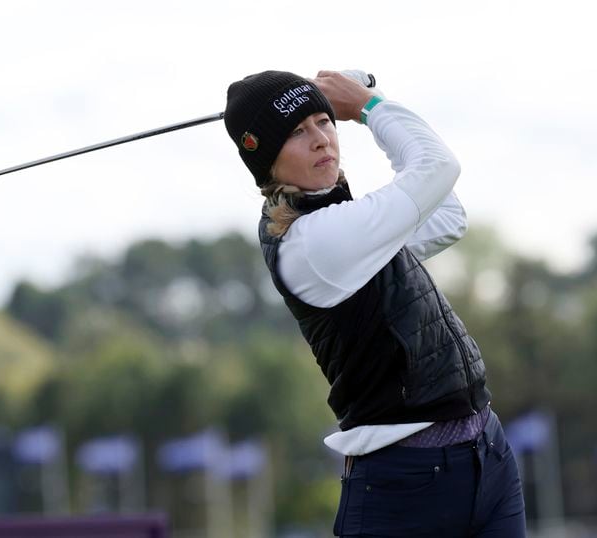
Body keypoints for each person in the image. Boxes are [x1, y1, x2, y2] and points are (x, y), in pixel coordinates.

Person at [223, 70, 526, 537]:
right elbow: (437, 167)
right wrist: (369, 106)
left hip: (487, 457)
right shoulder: (314, 242)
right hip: (406, 488)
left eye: (325, 121)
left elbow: (447, 213)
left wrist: (370, 105)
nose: (321, 139)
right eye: (297, 132)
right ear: (266, 160)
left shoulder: (345, 222)